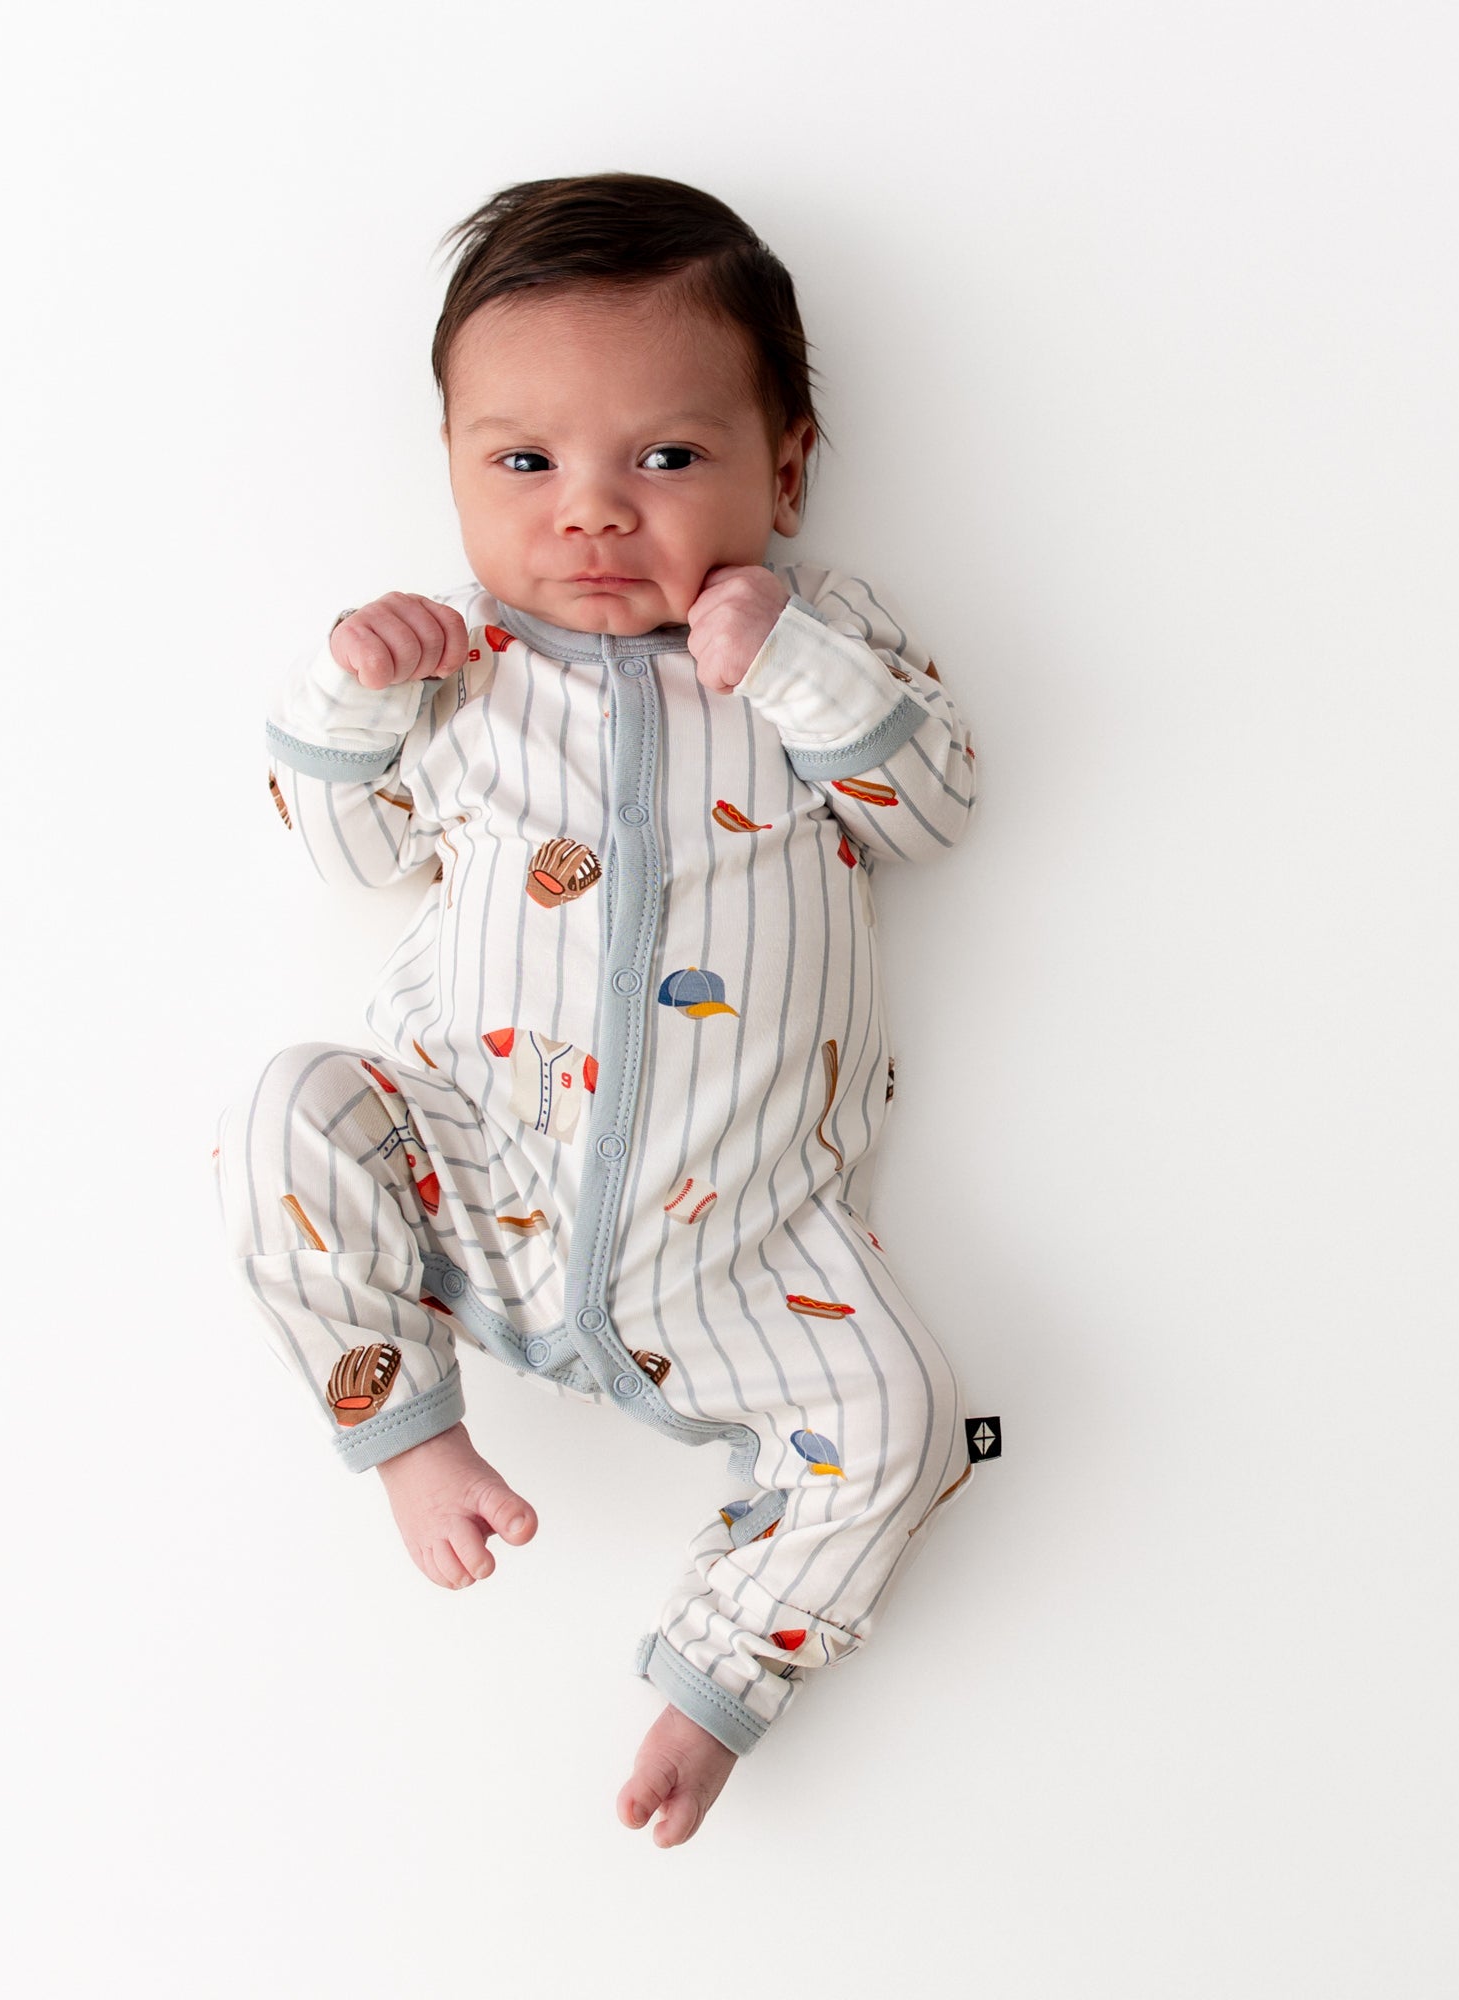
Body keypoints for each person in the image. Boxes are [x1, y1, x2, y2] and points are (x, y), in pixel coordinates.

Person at [213, 171, 987, 1847]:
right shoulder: (460, 676)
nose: (591, 512)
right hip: (478, 1181)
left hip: (749, 1245)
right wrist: (349, 694)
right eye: (524, 464)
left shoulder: (819, 643)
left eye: (666, 458)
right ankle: (404, 1427)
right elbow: (350, 854)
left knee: (903, 1417)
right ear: (453, 471)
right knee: (288, 1108)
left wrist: (783, 659)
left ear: (782, 469)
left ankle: (722, 1682)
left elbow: (930, 809)